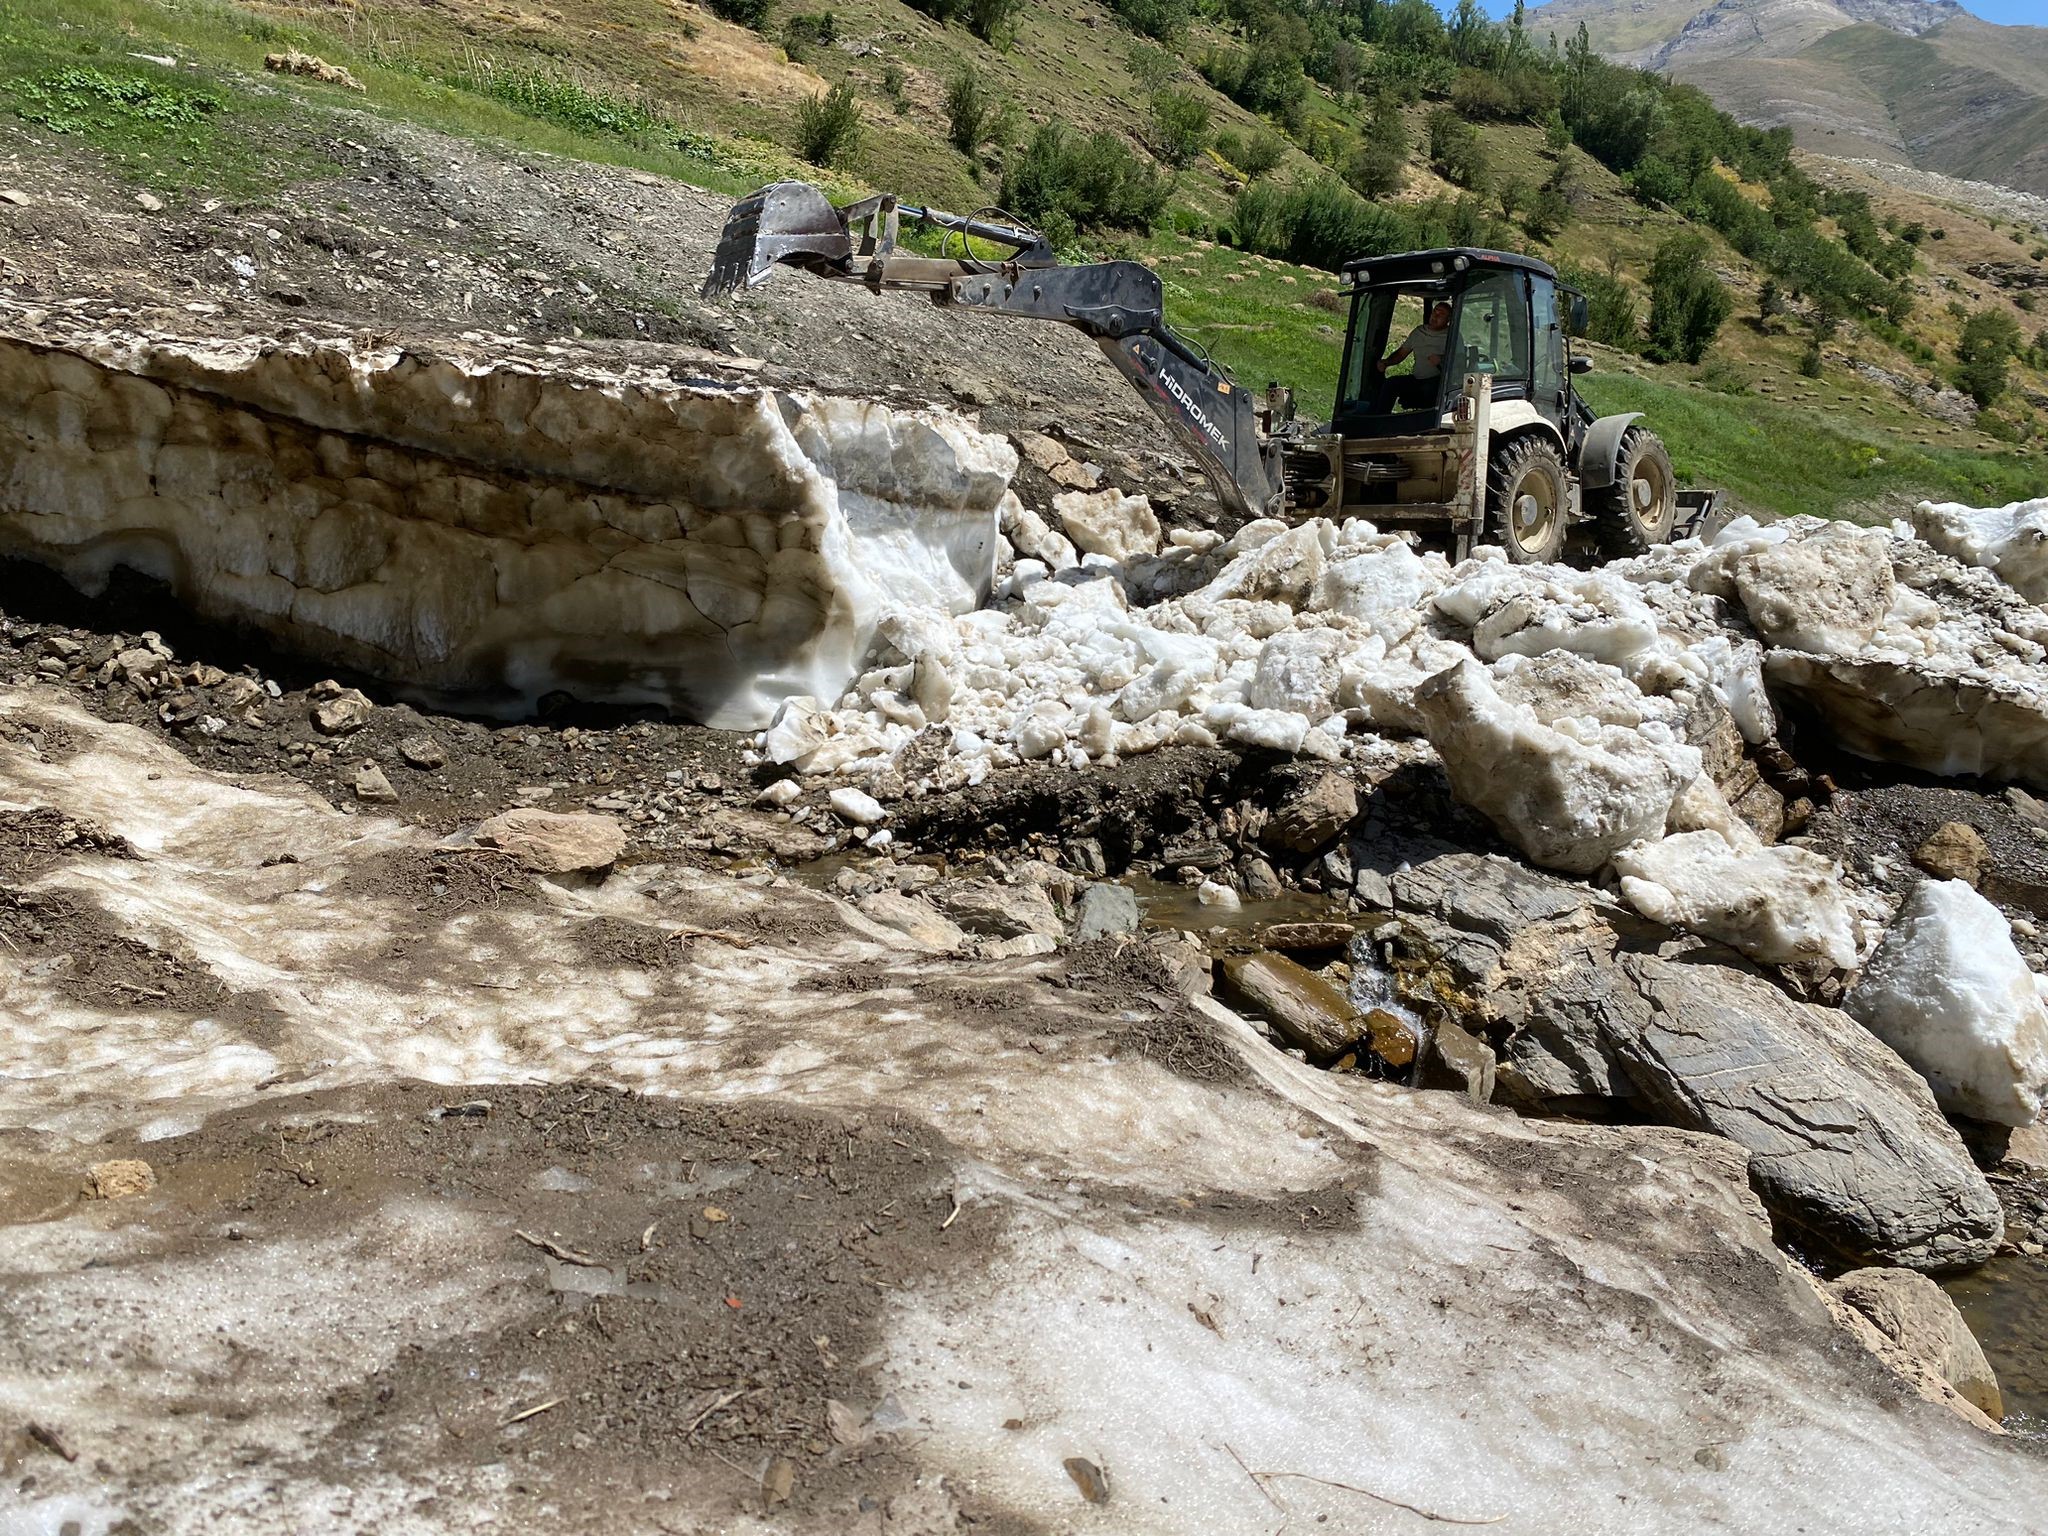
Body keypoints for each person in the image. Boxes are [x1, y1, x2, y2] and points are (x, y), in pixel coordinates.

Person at [1375, 300, 1453, 410]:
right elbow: (1402, 353)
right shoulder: (1418, 332)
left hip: (1438, 382)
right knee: (1391, 383)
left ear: (1448, 319)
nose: (1436, 316)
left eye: (1441, 314)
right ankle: (1380, 419)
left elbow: (1459, 362)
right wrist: (1387, 362)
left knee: (1430, 389)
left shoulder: (1452, 335)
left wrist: (1442, 359)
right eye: (1435, 312)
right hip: (1417, 379)